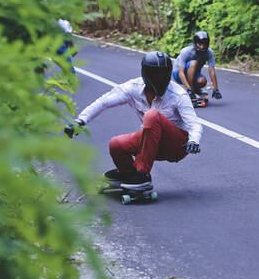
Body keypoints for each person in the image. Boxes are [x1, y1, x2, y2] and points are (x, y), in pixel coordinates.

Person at [65, 51, 203, 189]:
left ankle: (141, 174)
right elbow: (103, 102)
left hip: (176, 146)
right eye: (155, 74)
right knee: (116, 144)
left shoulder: (178, 94)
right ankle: (127, 174)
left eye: (164, 74)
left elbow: (194, 123)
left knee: (152, 115)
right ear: (146, 73)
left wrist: (194, 140)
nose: (160, 79)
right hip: (152, 144)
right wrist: (80, 121)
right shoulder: (133, 87)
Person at [172, 31, 222, 100]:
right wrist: (189, 90)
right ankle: (191, 91)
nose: (202, 47)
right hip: (178, 73)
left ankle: (196, 90)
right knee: (194, 63)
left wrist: (216, 89)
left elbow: (211, 71)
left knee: (202, 81)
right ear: (195, 43)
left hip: (193, 73)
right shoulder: (186, 51)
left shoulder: (209, 52)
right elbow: (181, 73)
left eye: (205, 44)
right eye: (200, 44)